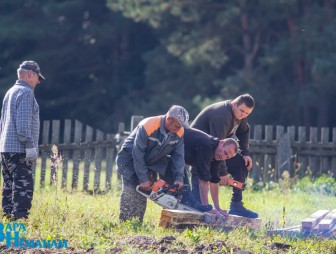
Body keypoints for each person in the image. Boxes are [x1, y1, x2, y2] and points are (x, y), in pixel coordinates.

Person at [116, 105, 211, 222]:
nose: (179, 128)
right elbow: (138, 153)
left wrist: (179, 179)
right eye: (177, 125)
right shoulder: (148, 125)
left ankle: (189, 202)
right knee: (135, 192)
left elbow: (179, 157)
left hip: (152, 160)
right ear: (169, 119)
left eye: (181, 126)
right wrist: (143, 178)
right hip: (129, 159)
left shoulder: (179, 131)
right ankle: (128, 222)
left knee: (176, 170)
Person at [191, 94, 258, 218]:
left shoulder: (241, 115)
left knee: (241, 164)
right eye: (242, 111)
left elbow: (243, 132)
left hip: (216, 151)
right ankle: (196, 214)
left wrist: (245, 154)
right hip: (198, 152)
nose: (243, 115)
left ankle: (236, 205)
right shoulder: (221, 115)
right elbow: (219, 145)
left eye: (247, 113)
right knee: (197, 203)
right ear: (234, 104)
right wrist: (223, 173)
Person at [0, 60, 45, 220]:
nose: (39, 81)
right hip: (19, 151)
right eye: (38, 77)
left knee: (8, 188)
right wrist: (30, 147)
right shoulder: (26, 93)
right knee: (22, 190)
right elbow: (22, 126)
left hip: (5, 149)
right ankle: (18, 225)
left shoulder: (10, 91)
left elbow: (2, 122)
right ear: (30, 74)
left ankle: (6, 225)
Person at [183, 127, 239, 218]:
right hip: (169, 145)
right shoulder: (207, 146)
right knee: (183, 190)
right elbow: (203, 180)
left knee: (187, 195)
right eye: (225, 153)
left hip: (179, 156)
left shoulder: (217, 155)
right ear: (221, 142)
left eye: (227, 157)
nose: (224, 158)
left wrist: (217, 208)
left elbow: (214, 181)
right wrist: (207, 208)